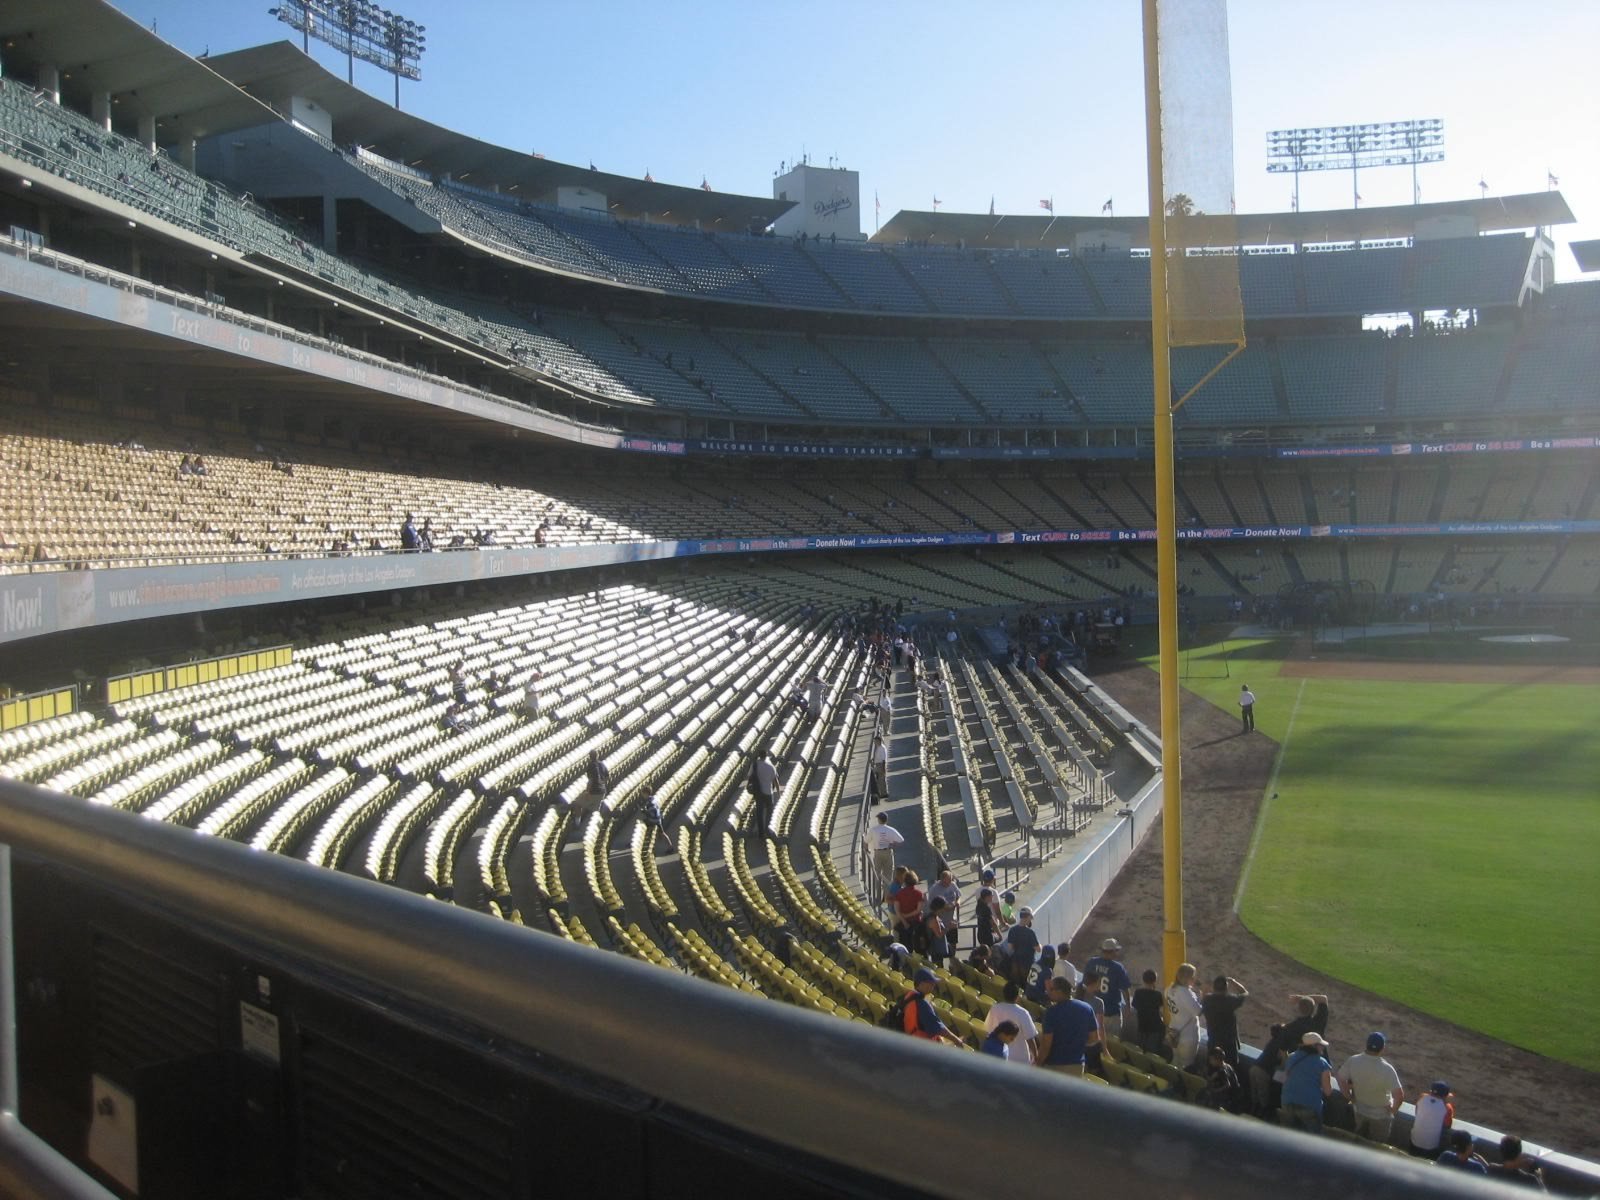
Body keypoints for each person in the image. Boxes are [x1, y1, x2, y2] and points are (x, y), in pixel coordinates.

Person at [1338, 1032, 1405, 1145]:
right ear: (1382, 1048)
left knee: (1357, 1141)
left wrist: (1348, 1095)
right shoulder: (1387, 1069)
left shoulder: (1353, 1060)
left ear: (1366, 1044)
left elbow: (1340, 1078)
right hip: (1381, 1115)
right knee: (1377, 1147)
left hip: (1360, 1109)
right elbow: (1399, 1096)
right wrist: (1392, 1111)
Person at [1035, 977, 1100, 1077]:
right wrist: (1077, 1043)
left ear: (1060, 991)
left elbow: (1046, 1045)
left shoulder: (1051, 1012)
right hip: (1076, 1067)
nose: (1048, 991)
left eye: (1052, 989)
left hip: (1054, 1066)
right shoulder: (1087, 1008)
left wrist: (1037, 1064)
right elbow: (1094, 1038)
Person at [1280, 1032, 1335, 1134]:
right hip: (1309, 1105)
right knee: (1313, 1139)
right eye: (1321, 1045)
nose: (1323, 1048)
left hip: (1287, 1101)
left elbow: (1285, 1077)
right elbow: (1328, 1091)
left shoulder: (1291, 1057)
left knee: (1287, 1136)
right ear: (1314, 1046)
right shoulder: (1322, 1063)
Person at [1083, 938, 1134, 1039]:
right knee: (1112, 1041)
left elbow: (1085, 984)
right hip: (1111, 1012)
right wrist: (1128, 1007)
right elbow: (1125, 989)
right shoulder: (1118, 968)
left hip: (1093, 1011)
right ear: (1113, 952)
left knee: (1094, 1040)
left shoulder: (1092, 962)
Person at [897, 968, 962, 1045]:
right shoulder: (922, 1004)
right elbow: (938, 1028)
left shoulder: (908, 996)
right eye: (930, 982)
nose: (933, 985)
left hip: (911, 1042)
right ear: (921, 984)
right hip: (922, 1047)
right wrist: (956, 1040)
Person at [984, 981, 1040, 1067]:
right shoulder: (1023, 1013)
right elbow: (1030, 1038)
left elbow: (988, 1031)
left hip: (999, 1056)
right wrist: (1036, 1057)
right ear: (1017, 997)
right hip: (1020, 1060)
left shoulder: (994, 1008)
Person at [1200, 975, 1249, 1070]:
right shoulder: (1230, 1000)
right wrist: (1233, 981)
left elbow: (1204, 997)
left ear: (1214, 988)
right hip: (1229, 1042)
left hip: (1213, 1040)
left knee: (1212, 1067)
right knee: (1230, 1068)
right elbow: (1244, 992)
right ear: (1226, 988)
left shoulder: (1207, 999)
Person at [1165, 962, 1206, 1070]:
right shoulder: (1185, 992)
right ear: (1188, 978)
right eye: (1193, 976)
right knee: (1187, 1067)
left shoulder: (1169, 988)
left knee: (1175, 1062)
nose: (1194, 979)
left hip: (1174, 1032)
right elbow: (1198, 1012)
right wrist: (1203, 997)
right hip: (1188, 1036)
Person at [1409, 1081, 1455, 1158]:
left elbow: (1417, 1111)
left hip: (1414, 1142)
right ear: (1445, 1095)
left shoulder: (1422, 1098)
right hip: (1431, 1147)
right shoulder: (1447, 1108)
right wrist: (1445, 1101)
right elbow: (1448, 1125)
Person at [1131, 969, 1168, 1057]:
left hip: (1142, 1025)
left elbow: (1135, 1005)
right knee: (1152, 1053)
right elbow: (1162, 1009)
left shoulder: (1138, 992)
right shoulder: (1157, 995)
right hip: (1155, 1027)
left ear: (1143, 980)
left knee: (1140, 1050)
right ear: (1155, 981)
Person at [1003, 907, 1040, 986]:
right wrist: (1040, 945)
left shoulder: (1012, 930)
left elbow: (1010, 947)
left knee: (1017, 985)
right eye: (1030, 918)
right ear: (1028, 917)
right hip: (1027, 964)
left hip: (1015, 962)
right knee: (1027, 986)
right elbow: (1038, 949)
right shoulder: (1030, 932)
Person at [864, 812, 905, 881]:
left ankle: (877, 889)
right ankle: (886, 890)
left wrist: (867, 849)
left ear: (879, 820)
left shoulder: (873, 830)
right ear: (886, 820)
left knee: (877, 873)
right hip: (888, 852)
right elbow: (901, 840)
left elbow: (866, 841)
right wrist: (892, 845)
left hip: (877, 853)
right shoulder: (891, 830)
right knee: (888, 874)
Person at [1200, 1045, 1240, 1111]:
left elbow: (1227, 1085)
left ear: (1218, 1060)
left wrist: (1215, 1091)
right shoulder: (1223, 1066)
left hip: (1229, 1094)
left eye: (1211, 1060)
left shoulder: (1222, 1071)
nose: (1210, 1062)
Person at [891, 871, 925, 946]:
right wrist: (908, 915)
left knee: (904, 944)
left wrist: (904, 920)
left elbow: (897, 910)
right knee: (917, 944)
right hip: (916, 922)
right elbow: (918, 910)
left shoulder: (899, 894)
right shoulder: (919, 894)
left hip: (903, 923)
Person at [750, 751, 778, 835]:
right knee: (769, 811)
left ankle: (761, 832)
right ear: (766, 756)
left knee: (759, 812)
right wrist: (778, 792)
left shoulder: (754, 765)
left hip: (758, 791)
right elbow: (775, 780)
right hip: (768, 792)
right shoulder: (771, 766)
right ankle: (767, 829)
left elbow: (749, 776)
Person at [919, 896, 953, 965]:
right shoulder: (933, 919)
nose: (944, 910)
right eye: (943, 908)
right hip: (935, 950)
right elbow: (939, 935)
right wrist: (949, 927)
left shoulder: (932, 916)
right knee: (938, 967)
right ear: (939, 908)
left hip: (935, 949)